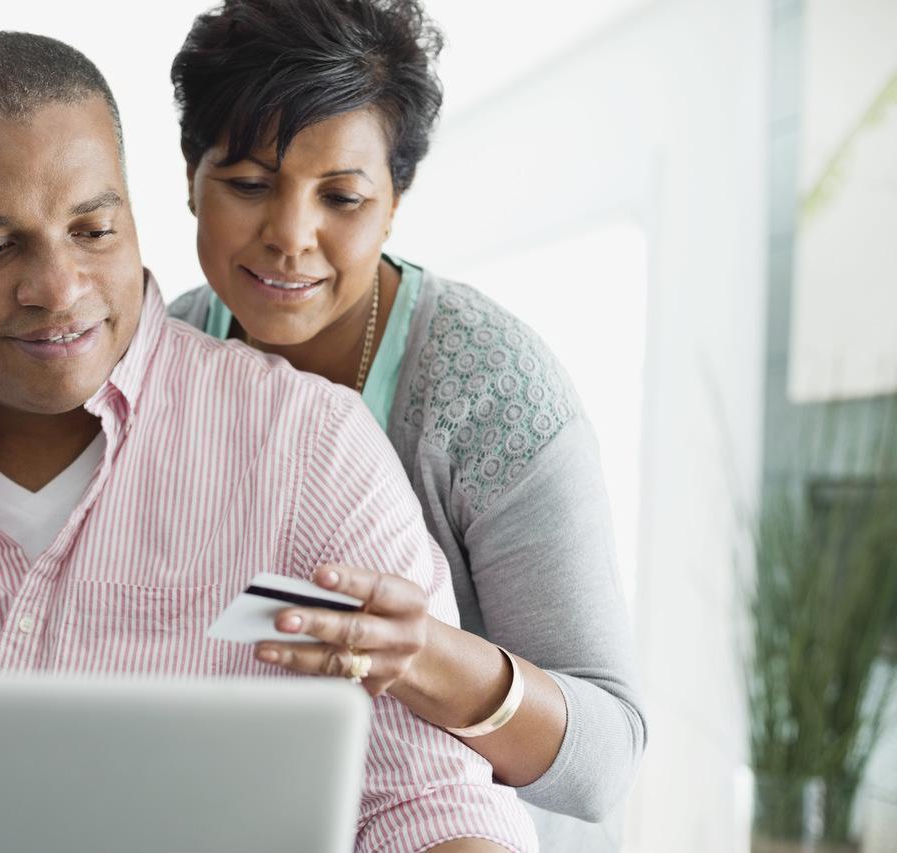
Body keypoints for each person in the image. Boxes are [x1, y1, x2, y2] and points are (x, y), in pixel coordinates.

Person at [0, 31, 536, 853]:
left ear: (135, 214)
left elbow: (421, 800)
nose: (58, 291)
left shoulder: (311, 448)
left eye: (93, 231)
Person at [167, 1, 646, 850]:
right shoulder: (157, 362)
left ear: (394, 202)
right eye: (247, 184)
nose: (290, 237)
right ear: (190, 179)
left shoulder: (490, 387)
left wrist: (420, 655)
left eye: (342, 196)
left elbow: (606, 761)